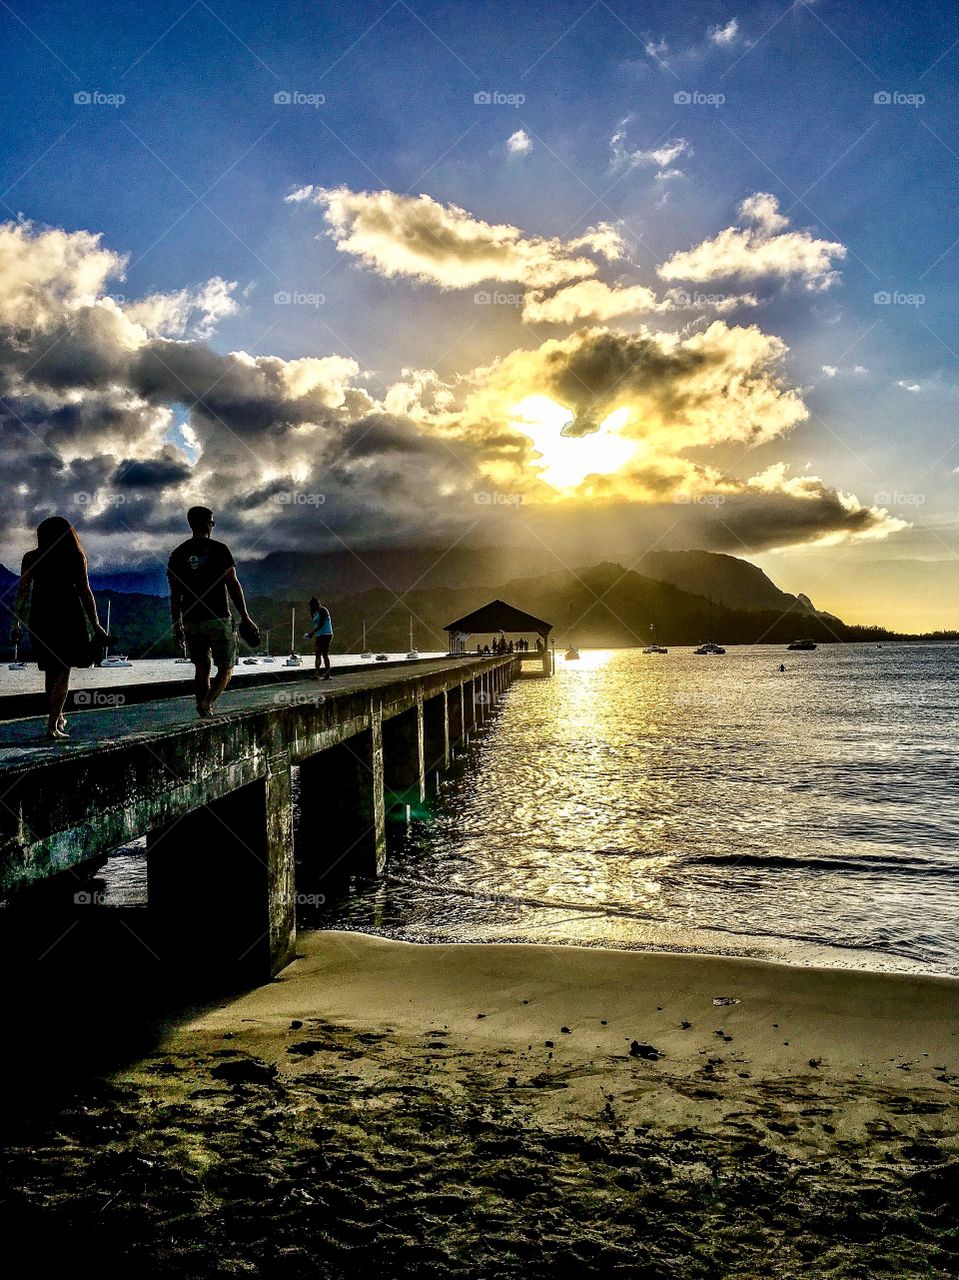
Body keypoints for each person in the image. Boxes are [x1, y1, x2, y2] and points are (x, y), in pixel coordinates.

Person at [9, 516, 110, 741]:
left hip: (41, 618)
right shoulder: (75, 557)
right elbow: (85, 592)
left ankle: (56, 717)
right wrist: (96, 624)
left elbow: (23, 592)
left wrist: (15, 623)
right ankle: (52, 725)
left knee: (50, 670)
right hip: (68, 617)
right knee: (63, 671)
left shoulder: (31, 557)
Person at [167, 507, 256, 718]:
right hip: (218, 618)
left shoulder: (177, 555)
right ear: (208, 524)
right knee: (227, 667)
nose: (212, 526)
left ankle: (203, 711)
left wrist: (177, 626)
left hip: (191, 620)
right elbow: (233, 584)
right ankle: (207, 703)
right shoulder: (219, 550)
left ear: (190, 524)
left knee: (202, 666)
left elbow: (175, 596)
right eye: (212, 523)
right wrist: (245, 616)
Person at [305, 594, 334, 680]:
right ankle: (316, 674)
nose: (311, 608)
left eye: (312, 606)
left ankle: (327, 674)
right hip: (319, 635)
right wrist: (312, 634)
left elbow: (321, 624)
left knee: (324, 654)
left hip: (326, 634)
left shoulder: (323, 610)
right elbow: (316, 623)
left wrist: (312, 633)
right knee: (317, 653)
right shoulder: (313, 612)